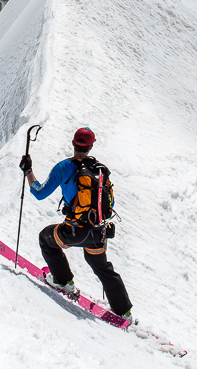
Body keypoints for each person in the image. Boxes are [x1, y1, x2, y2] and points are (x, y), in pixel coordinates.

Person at [19, 127, 133, 320]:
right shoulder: (101, 170)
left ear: (73, 143)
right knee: (102, 268)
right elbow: (110, 203)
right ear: (91, 147)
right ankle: (124, 311)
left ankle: (64, 282)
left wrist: (28, 171)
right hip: (97, 233)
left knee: (46, 238)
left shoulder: (63, 167)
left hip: (72, 231)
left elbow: (39, 192)